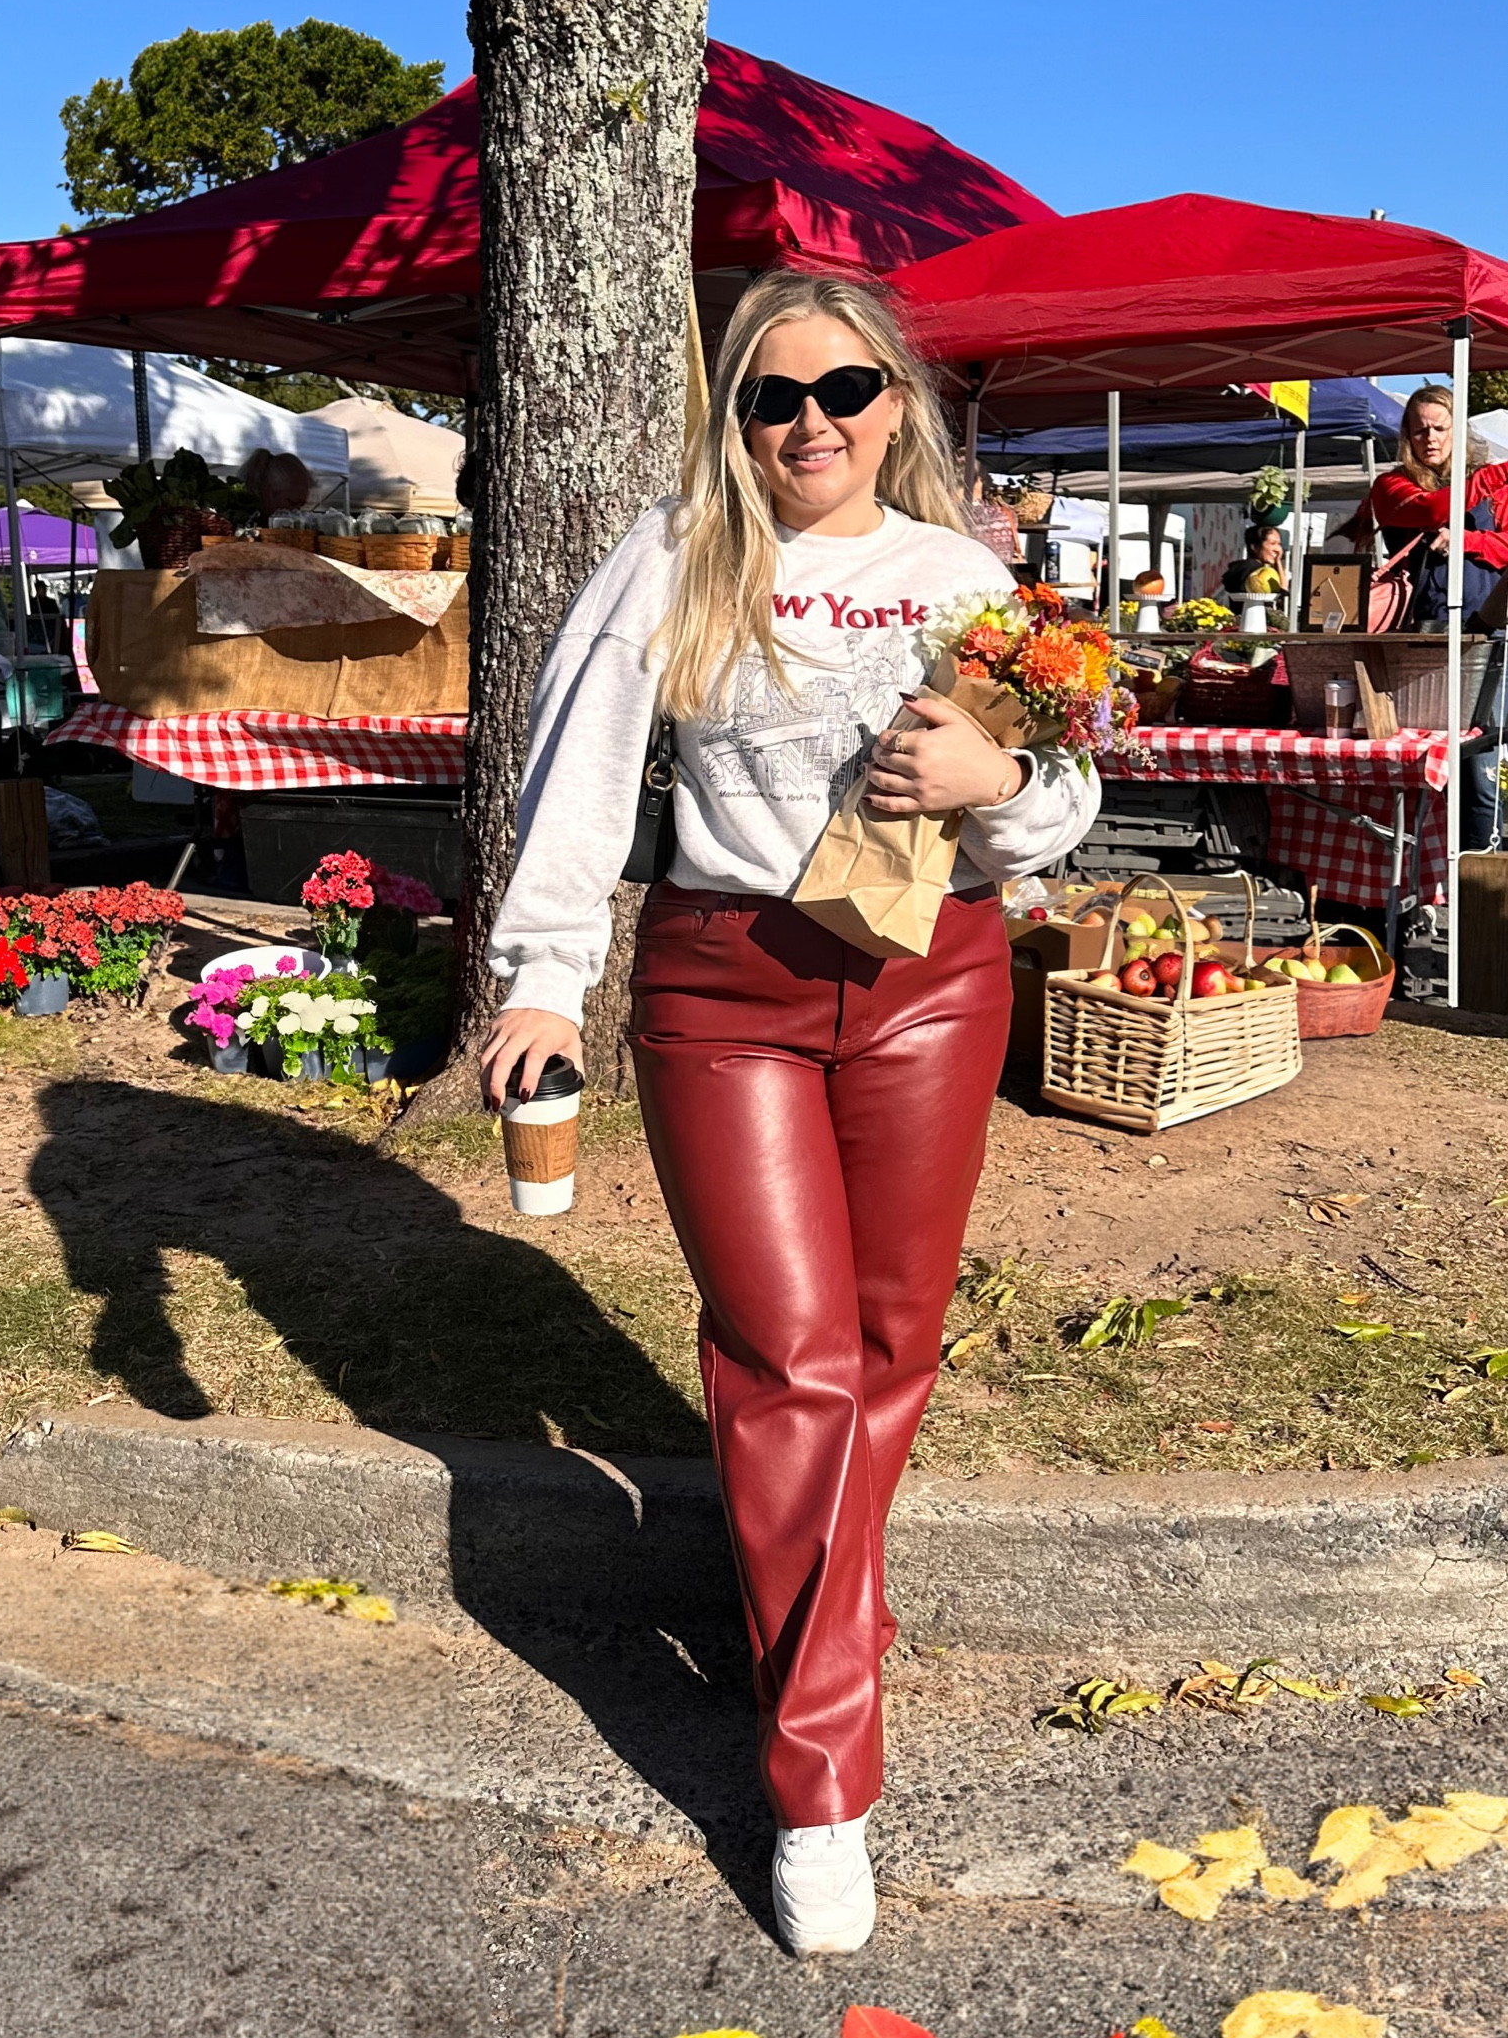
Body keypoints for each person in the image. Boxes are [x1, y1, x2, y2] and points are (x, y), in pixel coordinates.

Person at [478, 270, 1100, 1957]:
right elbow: (577, 770)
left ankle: (810, 1617)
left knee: (887, 1341)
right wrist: (539, 979)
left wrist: (1009, 783)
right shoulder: (674, 555)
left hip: (932, 979)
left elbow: (1055, 799)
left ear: (894, 402)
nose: (807, 421)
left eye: (839, 388)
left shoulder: (960, 577)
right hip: (723, 980)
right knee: (787, 1351)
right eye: (771, 395)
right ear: (734, 414)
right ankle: (823, 1770)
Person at [1344, 384, 1508, 846]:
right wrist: (1497, 476)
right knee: (1424, 763)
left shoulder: (1491, 489)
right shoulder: (1392, 485)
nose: (1430, 438)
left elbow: (1506, 546)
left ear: (1458, 430)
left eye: (1439, 428)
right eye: (1419, 431)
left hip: (1489, 636)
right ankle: (1426, 877)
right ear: (1406, 436)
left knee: (1482, 767)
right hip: (1422, 641)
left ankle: (1481, 877)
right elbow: (1435, 509)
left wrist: (1469, 541)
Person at [1221, 524, 1287, 603]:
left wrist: (1278, 562)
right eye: (1272, 543)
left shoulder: (1255, 568)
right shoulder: (1250, 568)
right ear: (1255, 547)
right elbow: (1282, 590)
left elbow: (1283, 591)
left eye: (1279, 544)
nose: (1278, 550)